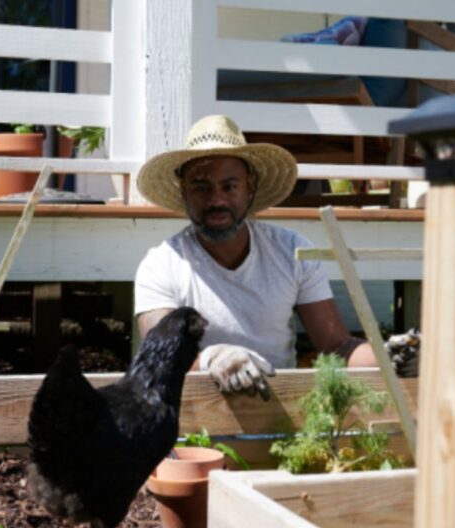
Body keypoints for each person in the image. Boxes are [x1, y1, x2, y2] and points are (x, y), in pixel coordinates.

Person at [133, 115, 418, 400]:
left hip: (280, 413)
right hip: (193, 419)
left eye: (229, 186)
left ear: (250, 187)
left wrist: (389, 358)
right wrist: (212, 359)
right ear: (184, 192)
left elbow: (337, 345)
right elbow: (162, 358)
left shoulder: (292, 251)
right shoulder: (161, 265)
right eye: (201, 188)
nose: (217, 200)